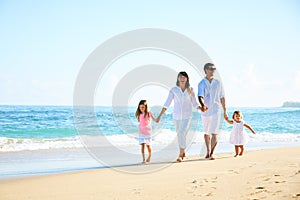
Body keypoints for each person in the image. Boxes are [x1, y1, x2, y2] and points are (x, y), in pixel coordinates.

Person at [157, 71, 201, 162]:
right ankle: (183, 151)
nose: (182, 78)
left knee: (181, 133)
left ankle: (180, 155)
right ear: (178, 78)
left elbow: (194, 103)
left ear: (187, 79)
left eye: (184, 77)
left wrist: (201, 108)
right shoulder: (173, 90)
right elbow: (167, 103)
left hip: (187, 116)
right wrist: (160, 115)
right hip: (176, 117)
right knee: (180, 135)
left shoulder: (190, 90)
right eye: (180, 77)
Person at [198, 63, 228, 160]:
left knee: (215, 132)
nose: (213, 70)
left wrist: (225, 111)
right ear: (206, 70)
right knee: (207, 132)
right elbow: (200, 96)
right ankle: (207, 150)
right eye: (211, 69)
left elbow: (222, 97)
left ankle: (212, 153)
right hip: (205, 111)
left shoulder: (218, 83)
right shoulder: (201, 83)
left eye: (214, 69)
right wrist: (203, 105)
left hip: (216, 110)